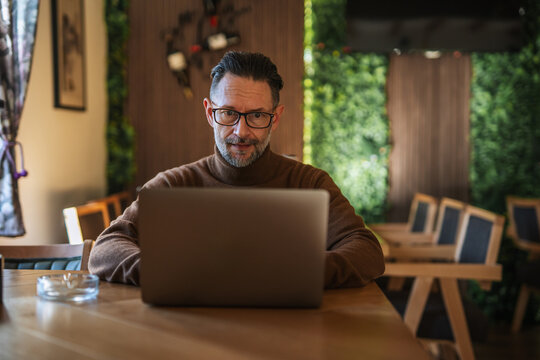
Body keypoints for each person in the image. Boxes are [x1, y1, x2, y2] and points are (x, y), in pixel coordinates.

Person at [89, 51, 384, 288]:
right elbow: (105, 248)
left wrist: (295, 271)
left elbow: (367, 251)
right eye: (229, 113)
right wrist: (171, 271)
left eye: (257, 115)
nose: (241, 131)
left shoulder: (309, 183)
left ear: (275, 117)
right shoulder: (174, 184)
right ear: (210, 112)